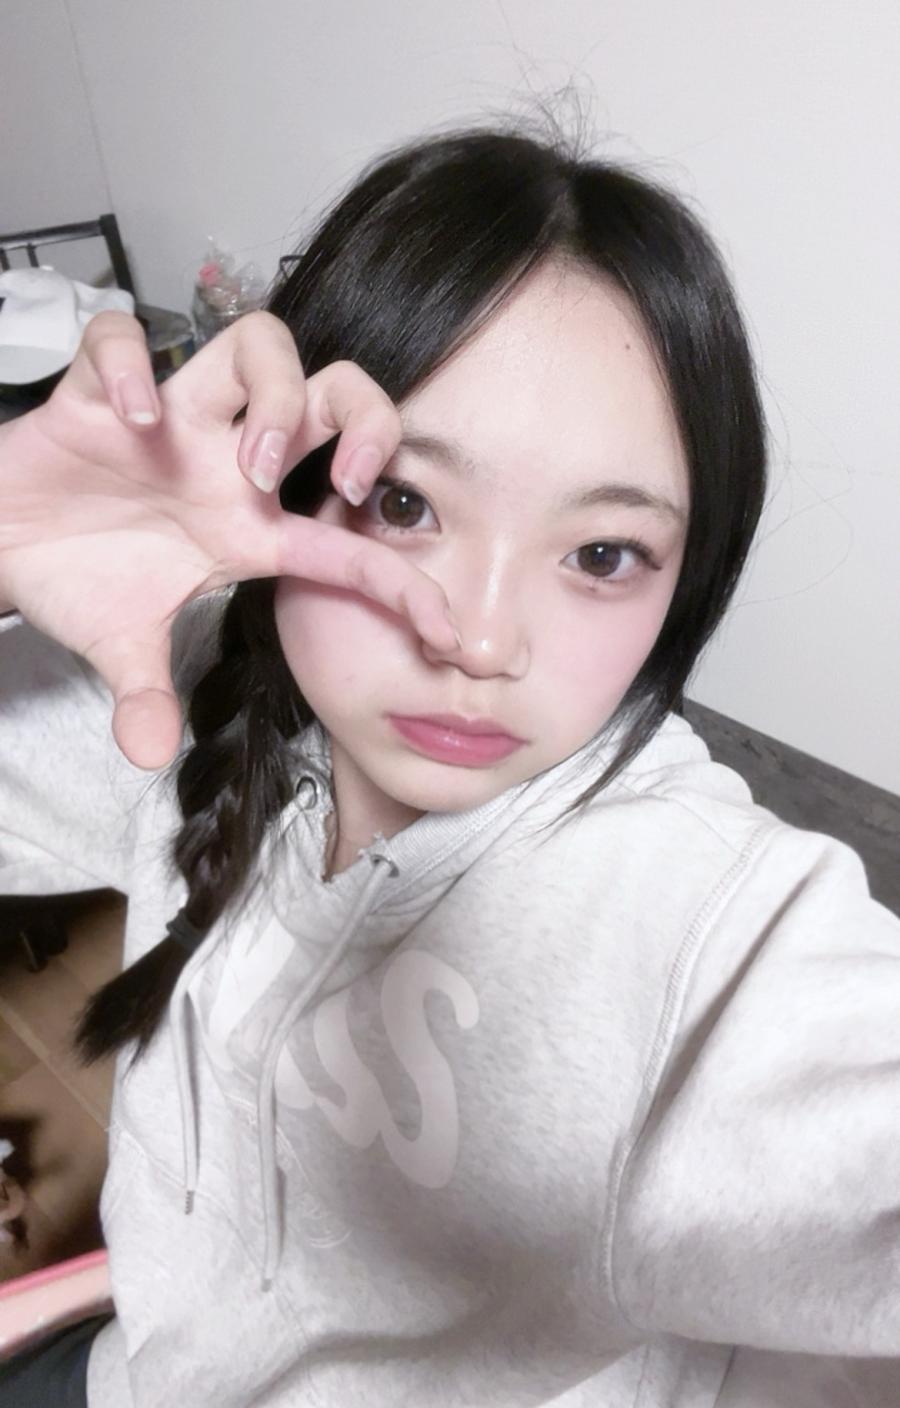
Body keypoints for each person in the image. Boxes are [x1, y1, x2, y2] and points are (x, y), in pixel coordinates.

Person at [0, 126, 897, 1408]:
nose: (479, 640)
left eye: (601, 555)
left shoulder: (698, 928)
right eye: (405, 503)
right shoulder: (184, 673)